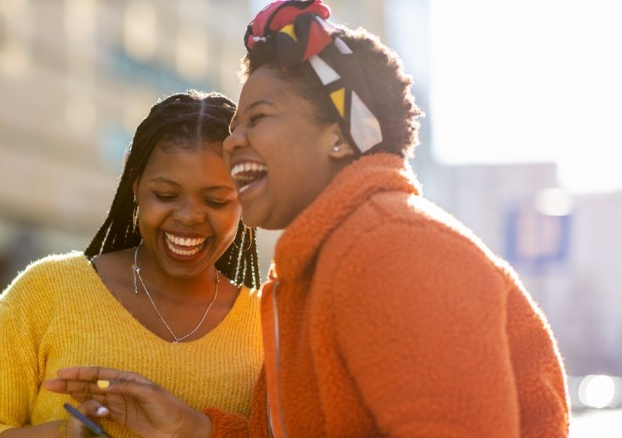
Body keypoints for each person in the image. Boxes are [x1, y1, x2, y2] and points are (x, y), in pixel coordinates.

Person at [45, 1, 571, 437]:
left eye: (259, 118)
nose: (232, 140)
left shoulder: (397, 249)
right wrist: (193, 429)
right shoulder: (307, 275)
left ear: (343, 135)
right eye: (234, 124)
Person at [0, 90, 263, 438]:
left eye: (217, 200)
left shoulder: (269, 327)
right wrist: (60, 435)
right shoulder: (49, 291)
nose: (189, 216)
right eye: (166, 195)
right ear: (136, 188)